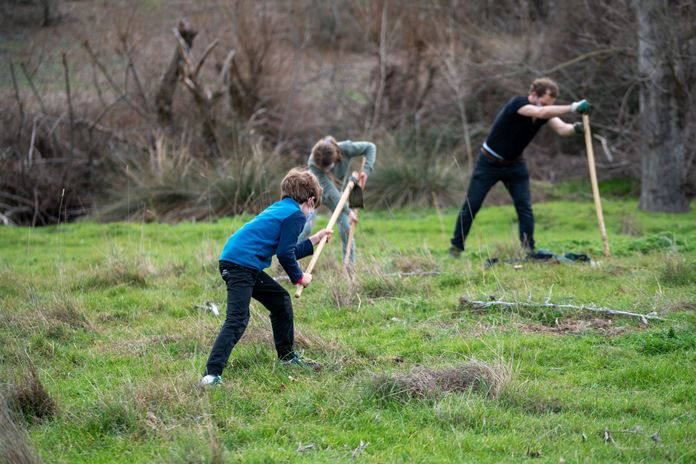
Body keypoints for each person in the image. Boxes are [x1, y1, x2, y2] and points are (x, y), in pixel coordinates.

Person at [201, 169, 332, 386]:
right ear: (310, 200)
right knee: (238, 319)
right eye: (313, 208)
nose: (311, 214)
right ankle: (211, 374)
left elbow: (285, 249)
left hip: (241, 263)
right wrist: (299, 278)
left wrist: (314, 240)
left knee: (280, 301)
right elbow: (284, 255)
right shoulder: (296, 215)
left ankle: (287, 358)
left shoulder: (283, 209)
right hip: (240, 265)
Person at [449, 77, 589, 258]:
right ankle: (456, 248)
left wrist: (576, 128)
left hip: (515, 166)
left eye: (549, 104)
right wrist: (573, 107)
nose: (546, 107)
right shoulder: (518, 104)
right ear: (533, 94)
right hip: (488, 163)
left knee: (524, 208)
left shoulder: (544, 111)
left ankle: (527, 249)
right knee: (472, 205)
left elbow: (562, 129)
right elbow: (541, 112)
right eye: (544, 103)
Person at [299, 136, 376, 263]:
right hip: (314, 194)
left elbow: (370, 147)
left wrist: (367, 170)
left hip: (337, 193)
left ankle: (349, 267)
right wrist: (348, 211)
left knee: (346, 228)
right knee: (305, 227)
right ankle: (287, 259)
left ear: (335, 157)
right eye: (323, 168)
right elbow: (330, 191)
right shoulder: (313, 162)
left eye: (328, 167)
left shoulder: (345, 148)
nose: (326, 170)